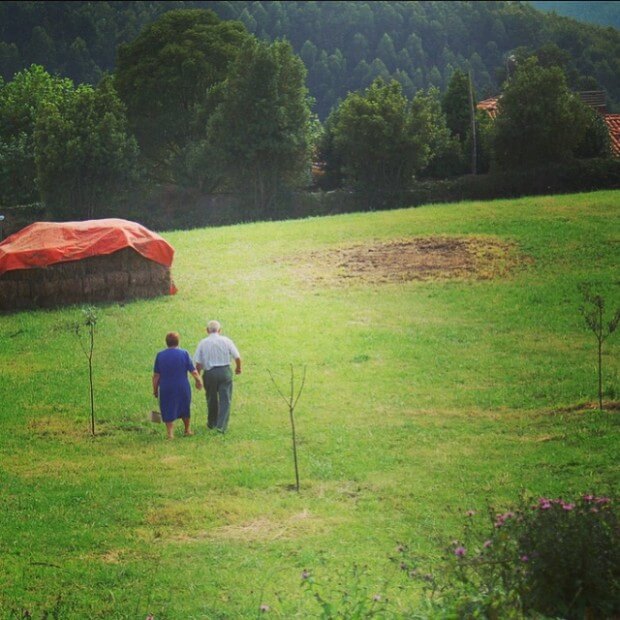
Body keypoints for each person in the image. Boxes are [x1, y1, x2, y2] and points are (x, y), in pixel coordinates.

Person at [194, 320, 242, 433]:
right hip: (224, 371)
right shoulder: (227, 341)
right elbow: (237, 357)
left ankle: (212, 423)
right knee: (225, 398)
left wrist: (198, 378)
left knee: (211, 398)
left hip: (210, 373)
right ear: (220, 330)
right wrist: (238, 368)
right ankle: (221, 426)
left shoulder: (203, 343)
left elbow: (198, 363)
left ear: (207, 330)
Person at [153, 332, 203, 439]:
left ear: (166, 342)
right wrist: (199, 381)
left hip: (166, 386)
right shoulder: (184, 353)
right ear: (178, 341)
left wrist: (155, 389)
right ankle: (187, 430)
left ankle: (170, 433)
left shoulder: (160, 355)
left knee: (167, 407)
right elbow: (193, 371)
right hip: (182, 386)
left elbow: (156, 375)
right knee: (185, 406)